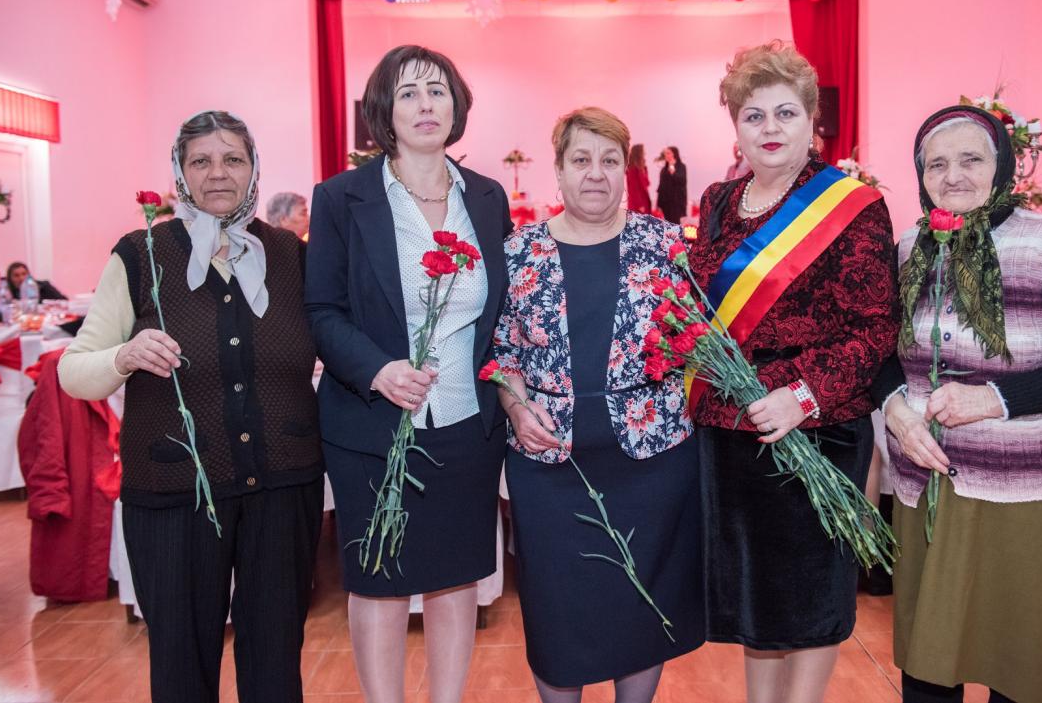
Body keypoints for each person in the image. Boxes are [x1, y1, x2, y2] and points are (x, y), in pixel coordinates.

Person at [57, 110, 324, 703]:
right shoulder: (142, 254)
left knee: (276, 660)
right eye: (200, 161)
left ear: (254, 168)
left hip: (283, 488)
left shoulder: (291, 255)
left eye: (233, 159)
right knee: (181, 664)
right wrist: (124, 355)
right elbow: (73, 371)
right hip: (175, 492)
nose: (218, 173)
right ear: (180, 172)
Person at [872, 105, 1042, 703]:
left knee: (1018, 662)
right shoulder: (910, 248)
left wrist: (993, 399)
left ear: (1002, 166)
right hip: (928, 487)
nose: (953, 175)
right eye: (936, 164)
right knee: (929, 664)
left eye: (971, 159)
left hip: (1025, 488)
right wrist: (897, 413)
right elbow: (879, 353)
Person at [689, 40, 898, 703]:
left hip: (816, 428)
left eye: (786, 113)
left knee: (808, 599)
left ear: (812, 120)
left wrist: (799, 396)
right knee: (755, 599)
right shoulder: (718, 200)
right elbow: (703, 312)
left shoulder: (853, 205)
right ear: (735, 126)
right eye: (754, 115)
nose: (770, 128)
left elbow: (874, 330)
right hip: (729, 428)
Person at [305, 45, 511, 703]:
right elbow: (322, 309)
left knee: (456, 577)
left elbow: (502, 313)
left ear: (457, 106)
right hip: (371, 424)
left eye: (438, 91)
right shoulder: (341, 198)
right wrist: (378, 370)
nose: (426, 105)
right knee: (380, 581)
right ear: (383, 112)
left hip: (467, 423)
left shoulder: (487, 197)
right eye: (408, 93)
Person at [493, 107, 703, 703]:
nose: (595, 173)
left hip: (651, 464)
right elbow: (502, 352)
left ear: (625, 172)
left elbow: (700, 338)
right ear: (558, 170)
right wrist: (516, 408)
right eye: (581, 159)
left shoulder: (665, 245)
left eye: (610, 160)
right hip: (549, 468)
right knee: (557, 614)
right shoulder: (519, 252)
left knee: (642, 609)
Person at [654, 145, 687, 224]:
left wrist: (672, 167)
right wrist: (658, 204)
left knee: (675, 224)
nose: (666, 155)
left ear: (674, 154)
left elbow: (682, 181)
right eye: (665, 153)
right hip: (665, 203)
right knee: (666, 224)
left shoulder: (681, 167)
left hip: (676, 203)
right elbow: (661, 187)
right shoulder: (664, 169)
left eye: (668, 153)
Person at [625, 142, 651, 214]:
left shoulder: (642, 168)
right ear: (639, 153)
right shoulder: (632, 169)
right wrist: (639, 204)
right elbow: (633, 188)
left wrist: (644, 170)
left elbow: (647, 183)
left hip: (644, 200)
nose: (645, 153)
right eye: (643, 151)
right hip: (638, 204)